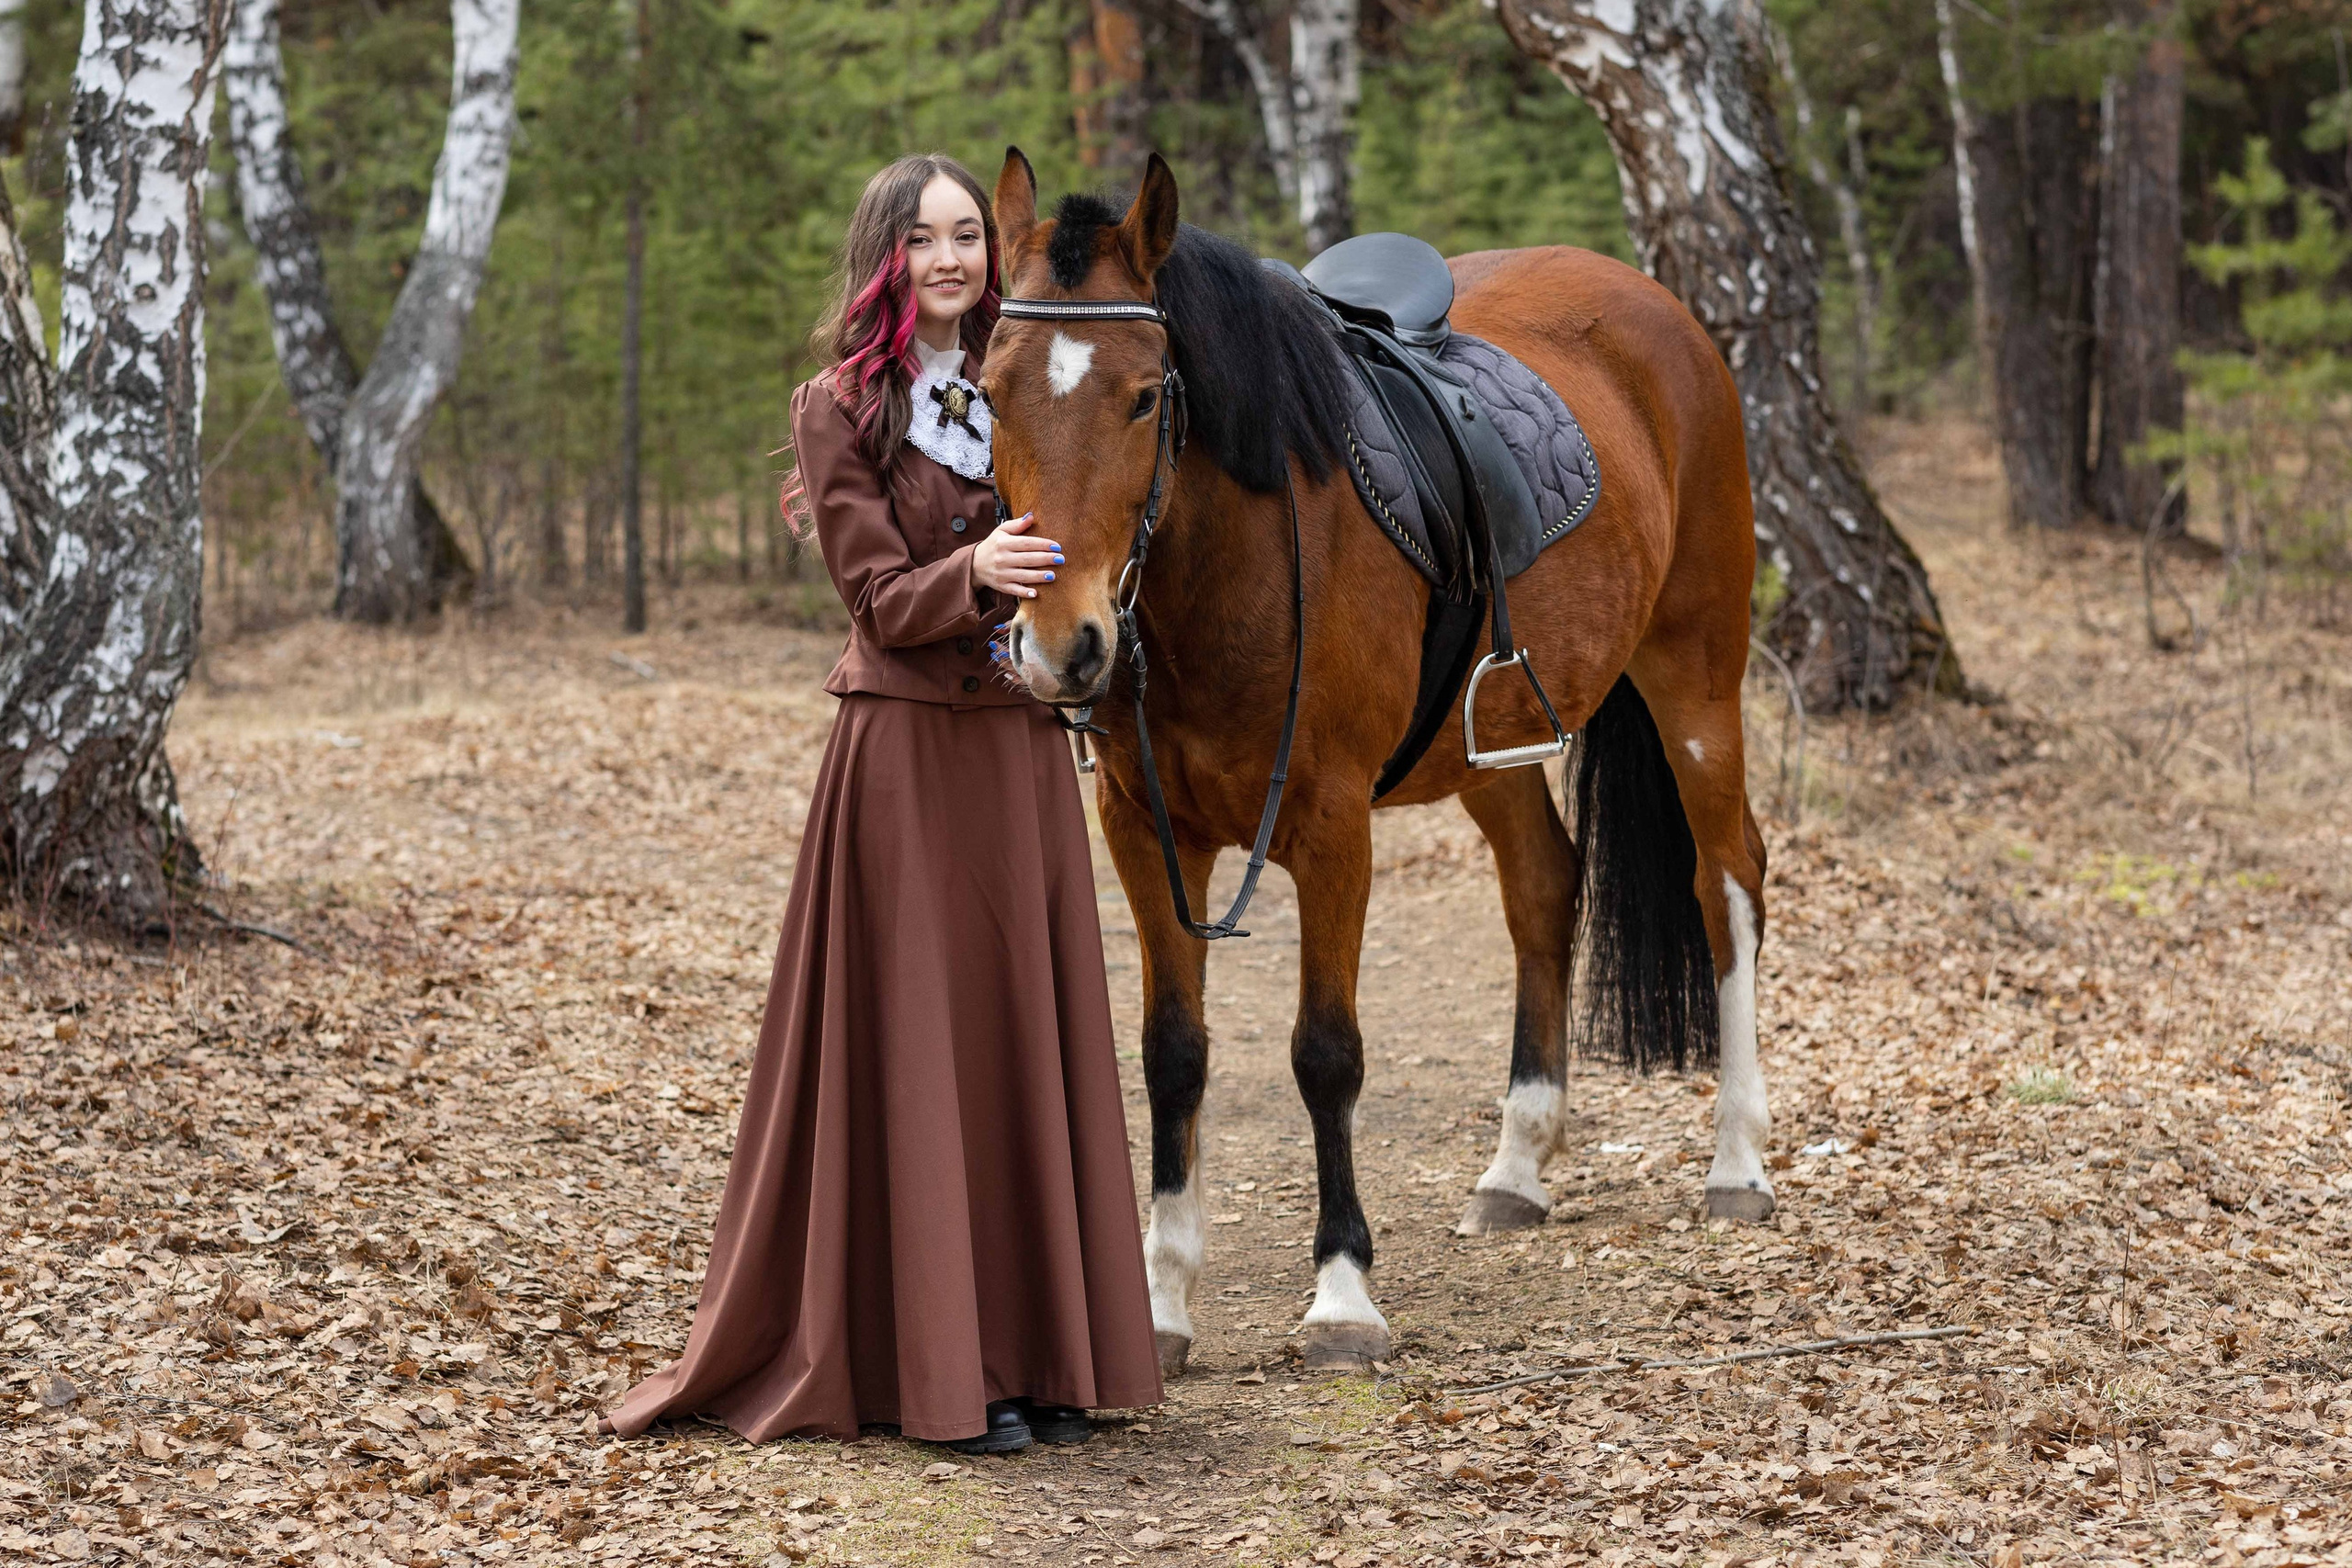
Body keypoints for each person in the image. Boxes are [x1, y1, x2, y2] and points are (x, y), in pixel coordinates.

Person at [600, 152, 1162, 1456]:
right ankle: (941, 1373)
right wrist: (979, 572)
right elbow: (873, 599)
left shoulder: (1028, 376)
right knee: (920, 1054)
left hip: (1016, 750)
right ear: (885, 258)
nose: (951, 258)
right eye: (922, 239)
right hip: (906, 758)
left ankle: (1043, 1358)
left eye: (967, 235)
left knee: (1019, 1047)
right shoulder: (839, 407)